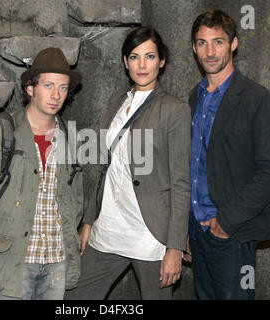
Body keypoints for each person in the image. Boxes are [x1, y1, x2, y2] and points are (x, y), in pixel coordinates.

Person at [66, 27, 191, 300]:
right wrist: (88, 221)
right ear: (125, 62)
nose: (142, 65)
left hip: (150, 235)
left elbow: (181, 183)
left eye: (150, 56)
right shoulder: (116, 101)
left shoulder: (174, 109)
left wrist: (175, 247)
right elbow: (104, 168)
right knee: (76, 298)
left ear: (162, 60)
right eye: (135, 57)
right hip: (108, 228)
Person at [0, 47, 84, 300]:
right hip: (12, 263)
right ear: (30, 88)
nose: (56, 95)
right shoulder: (0, 133)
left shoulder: (69, 139)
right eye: (48, 85)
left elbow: (76, 196)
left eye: (62, 88)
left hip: (55, 263)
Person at [183, 9, 270, 300]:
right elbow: (193, 166)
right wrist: (186, 229)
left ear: (234, 44)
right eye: (202, 43)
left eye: (218, 41)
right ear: (193, 48)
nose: (210, 51)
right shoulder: (194, 97)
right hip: (198, 235)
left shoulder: (256, 98)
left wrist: (226, 223)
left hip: (232, 235)